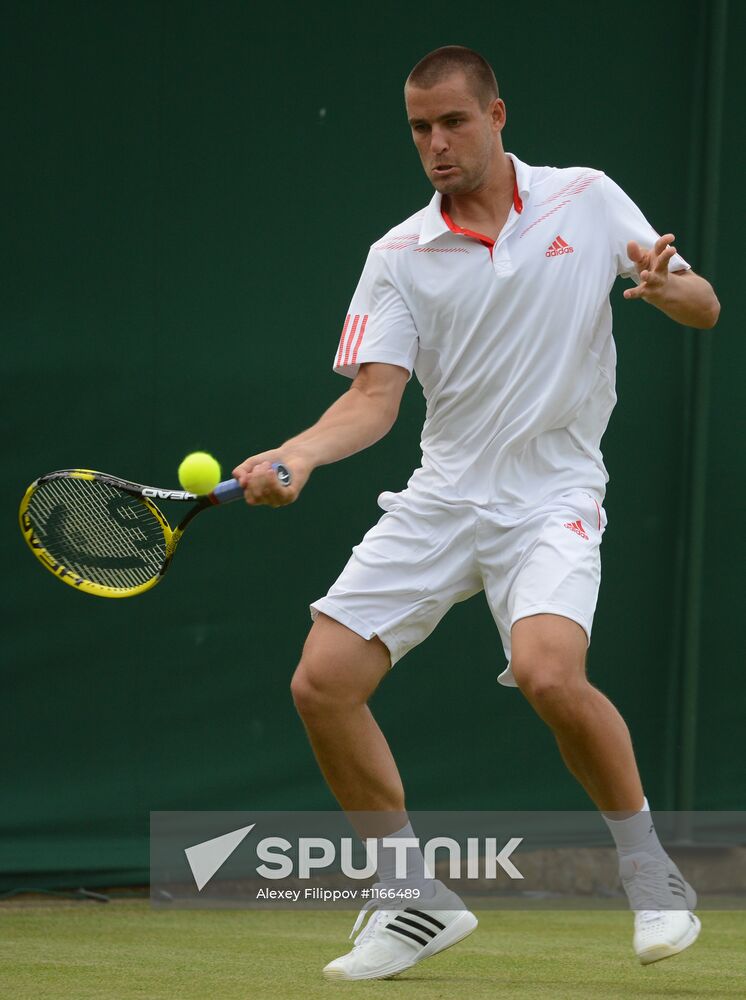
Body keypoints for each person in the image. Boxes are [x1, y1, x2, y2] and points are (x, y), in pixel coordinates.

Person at [234, 46, 720, 981]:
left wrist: (668, 289)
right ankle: (409, 899)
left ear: (498, 116)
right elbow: (374, 400)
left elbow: (705, 306)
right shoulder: (397, 255)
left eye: (453, 121)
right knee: (322, 682)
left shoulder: (586, 196)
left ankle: (649, 870)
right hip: (443, 496)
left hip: (554, 495)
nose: (436, 143)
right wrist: (297, 453)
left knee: (547, 672)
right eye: (419, 128)